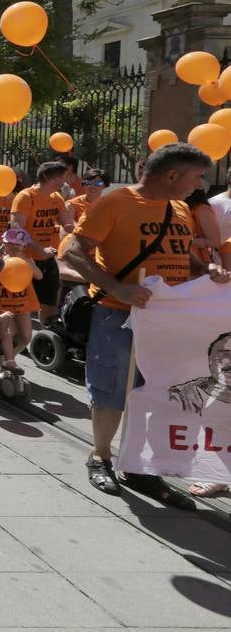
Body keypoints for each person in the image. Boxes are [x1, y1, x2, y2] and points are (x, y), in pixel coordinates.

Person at [62, 142, 229, 502]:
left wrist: (205, 270)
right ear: (172, 174)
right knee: (112, 390)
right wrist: (116, 288)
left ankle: (139, 466)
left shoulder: (181, 208)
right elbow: (73, 251)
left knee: (159, 393)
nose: (200, 184)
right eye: (197, 176)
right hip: (118, 314)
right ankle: (101, 457)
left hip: (167, 320)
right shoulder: (115, 202)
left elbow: (180, 254)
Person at [11, 160, 75, 320]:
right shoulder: (25, 197)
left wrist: (85, 230)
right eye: (59, 178)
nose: (62, 181)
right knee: (21, 307)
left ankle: (46, 336)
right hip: (26, 259)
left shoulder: (57, 197)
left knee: (49, 303)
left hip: (49, 258)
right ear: (47, 178)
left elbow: (68, 224)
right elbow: (17, 230)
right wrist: (39, 248)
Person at [0, 226, 41, 364]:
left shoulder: (27, 259)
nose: (13, 246)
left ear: (23, 245)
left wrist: (26, 263)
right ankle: (5, 364)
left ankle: (8, 360)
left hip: (22, 301)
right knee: (2, 335)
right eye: (10, 243)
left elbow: (39, 276)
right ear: (4, 244)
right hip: (2, 302)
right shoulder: (0, 260)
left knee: (25, 337)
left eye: (17, 244)